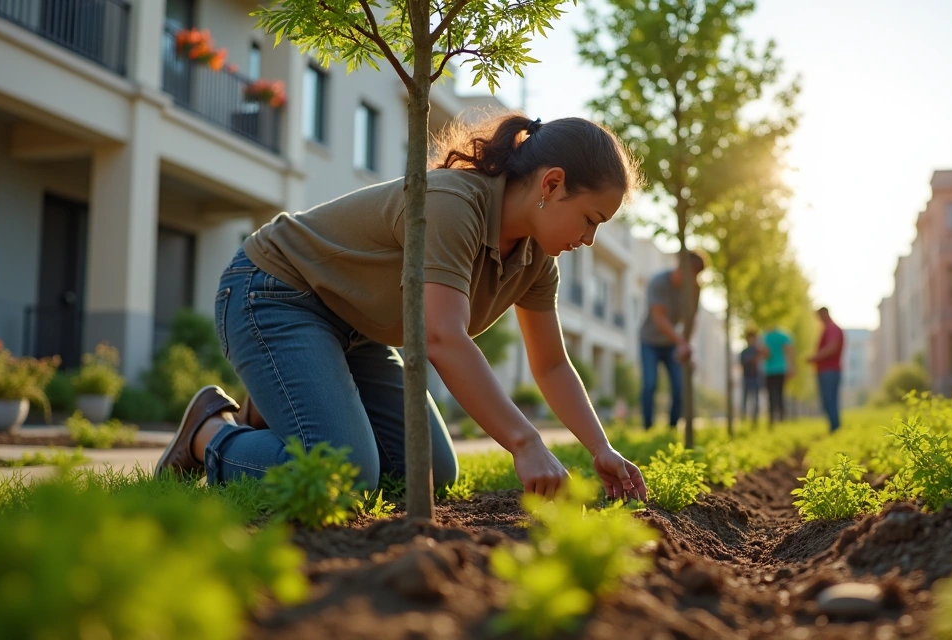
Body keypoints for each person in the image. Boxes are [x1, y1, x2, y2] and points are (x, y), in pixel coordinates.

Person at [155, 114, 648, 501]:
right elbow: (442, 338)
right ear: (551, 184)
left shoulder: (537, 260)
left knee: (428, 471)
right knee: (345, 479)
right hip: (275, 292)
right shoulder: (456, 204)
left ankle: (283, 397)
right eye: (590, 219)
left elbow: (552, 364)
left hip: (353, 328)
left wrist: (599, 447)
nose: (589, 238)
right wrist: (524, 442)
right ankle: (208, 433)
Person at [637, 251, 705, 430]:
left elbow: (691, 319)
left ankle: (672, 428)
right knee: (650, 384)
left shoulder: (695, 289)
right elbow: (659, 318)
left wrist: (686, 345)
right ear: (680, 267)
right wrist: (681, 342)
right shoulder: (658, 282)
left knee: (678, 386)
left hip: (672, 345)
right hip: (649, 340)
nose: (691, 280)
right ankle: (648, 428)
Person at [807, 306, 844, 432]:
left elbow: (832, 347)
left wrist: (814, 357)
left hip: (829, 371)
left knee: (829, 401)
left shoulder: (831, 328)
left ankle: (835, 429)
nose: (818, 320)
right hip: (828, 370)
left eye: (819, 316)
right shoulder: (829, 328)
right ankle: (834, 428)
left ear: (824, 314)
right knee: (829, 401)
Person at [761, 325, 793, 426]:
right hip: (781, 369)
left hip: (769, 370)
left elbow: (765, 353)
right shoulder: (784, 336)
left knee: (771, 394)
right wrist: (791, 366)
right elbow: (789, 351)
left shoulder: (765, 337)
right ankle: (781, 417)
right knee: (780, 393)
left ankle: (771, 418)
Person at [739, 329, 764, 424]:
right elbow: (741, 364)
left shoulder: (758, 351)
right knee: (744, 398)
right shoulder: (744, 352)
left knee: (756, 398)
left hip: (756, 377)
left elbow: (764, 357)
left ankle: (755, 419)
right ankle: (743, 417)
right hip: (746, 376)